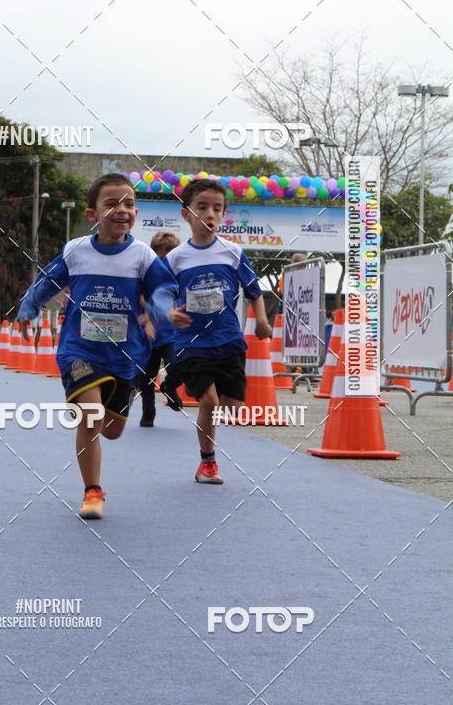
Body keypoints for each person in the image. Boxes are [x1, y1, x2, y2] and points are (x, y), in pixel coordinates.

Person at [18, 174, 177, 519]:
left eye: (129, 203)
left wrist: (161, 310)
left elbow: (164, 289)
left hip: (125, 356)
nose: (122, 210)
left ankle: (103, 414)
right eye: (112, 203)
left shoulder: (143, 255)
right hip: (80, 350)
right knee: (91, 418)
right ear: (92, 214)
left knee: (113, 430)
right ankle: (93, 491)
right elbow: (47, 281)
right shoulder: (76, 251)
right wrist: (29, 306)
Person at [165, 178, 272, 485]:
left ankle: (176, 380)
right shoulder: (175, 258)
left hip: (228, 340)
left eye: (217, 208)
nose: (210, 214)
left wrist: (262, 320)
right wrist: (169, 313)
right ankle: (207, 463)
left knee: (233, 408)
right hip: (192, 342)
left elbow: (254, 290)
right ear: (186, 213)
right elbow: (159, 294)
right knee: (209, 403)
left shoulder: (233, 252)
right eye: (202, 207)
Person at [139, 230, 183, 427]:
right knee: (146, 378)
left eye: (168, 256)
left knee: (177, 366)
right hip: (149, 335)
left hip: (171, 335)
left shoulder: (178, 277)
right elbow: (139, 301)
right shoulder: (146, 276)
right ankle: (148, 412)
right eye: (160, 256)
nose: (164, 263)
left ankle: (169, 387)